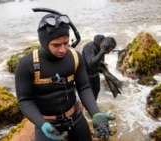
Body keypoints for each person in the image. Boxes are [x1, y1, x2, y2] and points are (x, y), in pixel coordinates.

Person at [15, 9, 115, 141]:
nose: (63, 49)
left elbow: (84, 88)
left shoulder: (74, 57)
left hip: (75, 119)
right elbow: (25, 100)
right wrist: (42, 124)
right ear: (44, 42)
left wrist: (96, 113)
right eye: (56, 45)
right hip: (47, 124)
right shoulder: (27, 64)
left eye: (66, 42)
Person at [82, 35, 117, 100]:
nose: (108, 53)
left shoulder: (101, 49)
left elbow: (99, 62)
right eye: (108, 51)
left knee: (96, 91)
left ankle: (93, 108)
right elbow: (90, 64)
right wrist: (102, 51)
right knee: (89, 95)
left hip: (95, 74)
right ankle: (86, 108)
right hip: (86, 76)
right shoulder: (89, 47)